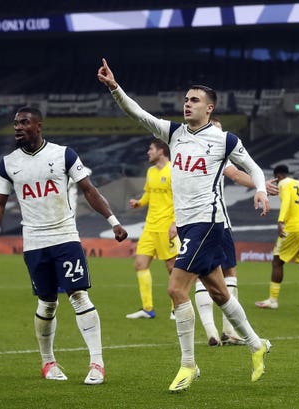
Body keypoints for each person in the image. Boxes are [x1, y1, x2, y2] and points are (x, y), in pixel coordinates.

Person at [97, 58, 271, 392]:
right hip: (189, 224)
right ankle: (255, 344)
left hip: (207, 221)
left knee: (176, 289)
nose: (186, 104)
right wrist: (115, 88)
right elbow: (138, 114)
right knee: (219, 293)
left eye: (194, 101)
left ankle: (188, 365)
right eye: (186, 99)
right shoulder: (174, 133)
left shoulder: (224, 140)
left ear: (210, 108)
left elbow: (254, 167)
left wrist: (261, 191)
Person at [0, 106, 128, 385]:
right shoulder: (8, 163)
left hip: (65, 236)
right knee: (48, 302)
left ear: (38, 125)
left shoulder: (63, 154)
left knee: (78, 295)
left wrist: (113, 221)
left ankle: (97, 363)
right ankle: (48, 362)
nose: (18, 127)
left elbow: (89, 190)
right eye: (16, 123)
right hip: (34, 243)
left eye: (24, 122)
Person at [194, 117, 279, 346]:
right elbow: (236, 175)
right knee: (229, 272)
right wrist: (260, 186)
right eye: (217, 131)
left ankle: (211, 331)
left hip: (191, 223)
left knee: (201, 273)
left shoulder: (187, 155)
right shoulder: (215, 154)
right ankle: (229, 331)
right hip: (216, 221)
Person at [255, 164, 299, 312]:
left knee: (277, 261)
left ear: (277, 177)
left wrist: (280, 221)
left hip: (293, 229)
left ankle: (273, 300)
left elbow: (286, 201)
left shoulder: (283, 184)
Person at [126, 138, 181, 319]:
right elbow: (149, 193)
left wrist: (174, 223)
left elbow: (180, 199)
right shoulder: (150, 171)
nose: (148, 152)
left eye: (151, 149)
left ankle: (176, 308)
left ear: (161, 151)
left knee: (172, 267)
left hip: (167, 226)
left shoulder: (174, 171)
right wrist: (139, 202)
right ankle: (148, 309)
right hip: (150, 226)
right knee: (140, 264)